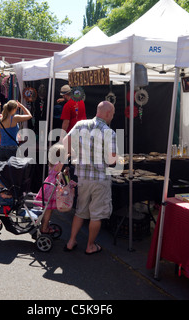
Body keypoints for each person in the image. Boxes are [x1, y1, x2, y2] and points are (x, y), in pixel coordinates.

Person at [63, 101, 117, 255]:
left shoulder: (81, 125)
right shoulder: (109, 132)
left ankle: (71, 241)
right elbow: (112, 160)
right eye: (112, 114)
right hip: (100, 179)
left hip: (83, 178)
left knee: (80, 211)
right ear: (107, 114)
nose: (112, 117)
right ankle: (90, 246)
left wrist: (75, 155)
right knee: (96, 214)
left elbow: (65, 143)